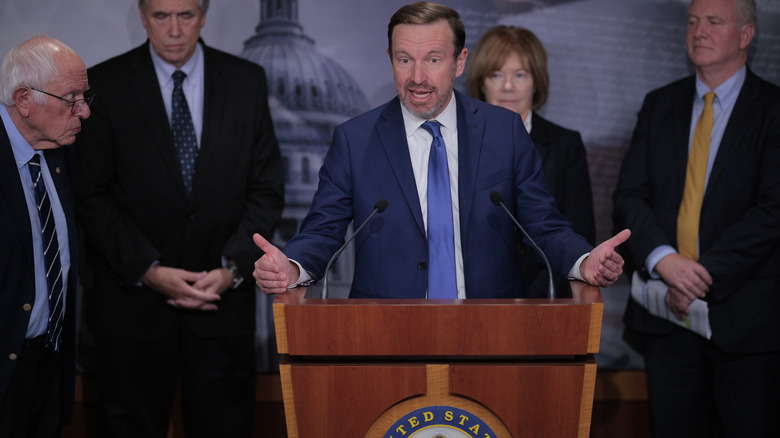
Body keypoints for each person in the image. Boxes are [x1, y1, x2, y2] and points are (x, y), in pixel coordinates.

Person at [253, 1, 628, 299]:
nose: (417, 77)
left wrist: (583, 261)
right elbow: (323, 230)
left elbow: (544, 224)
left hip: (493, 330)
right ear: (391, 59)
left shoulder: (504, 131)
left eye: (433, 59)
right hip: (385, 335)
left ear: (459, 62)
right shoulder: (355, 139)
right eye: (405, 60)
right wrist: (292, 265)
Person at [70, 0, 284, 436]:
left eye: (185, 16)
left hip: (222, 307)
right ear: (143, 17)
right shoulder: (104, 84)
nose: (173, 30)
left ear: (203, 17)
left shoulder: (246, 81)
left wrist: (230, 270)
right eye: (161, 16)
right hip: (131, 311)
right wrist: (147, 269)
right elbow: (91, 195)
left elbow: (265, 190)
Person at [612, 0, 780, 436]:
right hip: (666, 321)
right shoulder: (659, 104)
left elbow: (773, 210)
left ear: (745, 35)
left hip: (747, 328)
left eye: (713, 21)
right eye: (691, 22)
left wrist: (700, 275)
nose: (698, 31)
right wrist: (665, 261)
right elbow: (629, 196)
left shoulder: (773, 110)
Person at [0, 35, 91, 437]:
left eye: (85, 96)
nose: (84, 111)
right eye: (72, 98)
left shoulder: (57, 154)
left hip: (49, 367)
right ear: (23, 99)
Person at [467, 25, 596, 298]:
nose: (508, 86)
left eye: (520, 75)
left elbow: (580, 234)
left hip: (546, 300)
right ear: (481, 82)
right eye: (496, 74)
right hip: (474, 300)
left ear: (537, 81)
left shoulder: (566, 144)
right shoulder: (457, 141)